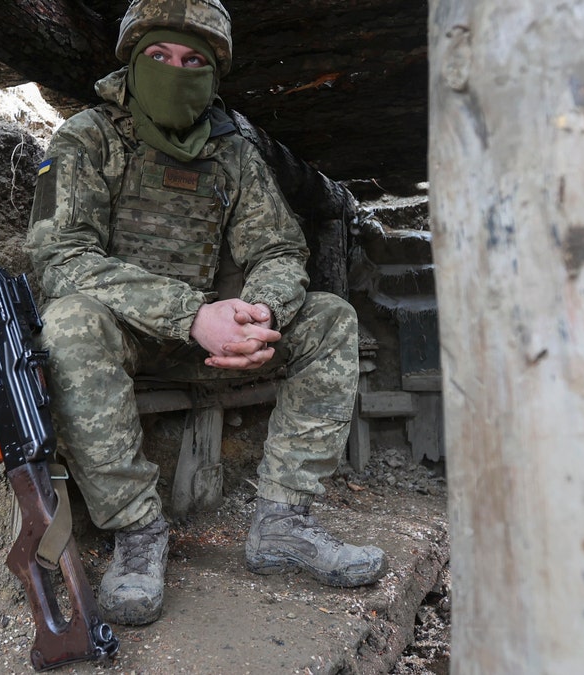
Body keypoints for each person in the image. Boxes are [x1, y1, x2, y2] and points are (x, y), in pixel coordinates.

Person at [25, 0, 386, 627]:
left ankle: (284, 522)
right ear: (133, 63)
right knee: (69, 323)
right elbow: (60, 256)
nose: (175, 69)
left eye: (193, 61)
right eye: (159, 56)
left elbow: (278, 247)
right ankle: (137, 534)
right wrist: (192, 314)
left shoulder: (233, 152)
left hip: (222, 338)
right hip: (131, 335)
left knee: (329, 317)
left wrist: (261, 312)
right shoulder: (87, 137)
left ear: (213, 75)